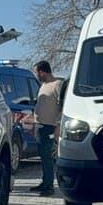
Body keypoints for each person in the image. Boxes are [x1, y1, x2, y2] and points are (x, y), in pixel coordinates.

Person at [30, 60, 64, 196]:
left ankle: (49, 186)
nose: (36, 75)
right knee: (43, 156)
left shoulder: (57, 84)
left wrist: (58, 125)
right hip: (40, 126)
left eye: (37, 72)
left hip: (50, 127)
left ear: (42, 72)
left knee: (48, 156)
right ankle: (44, 182)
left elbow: (62, 106)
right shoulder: (43, 86)